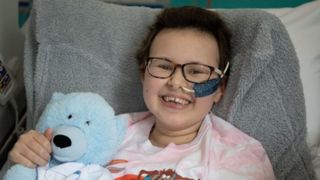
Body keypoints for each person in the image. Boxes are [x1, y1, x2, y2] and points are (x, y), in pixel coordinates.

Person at [9, 6, 275, 179]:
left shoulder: (239, 158)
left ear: (219, 89)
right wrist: (32, 156)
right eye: (163, 66)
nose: (175, 82)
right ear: (142, 73)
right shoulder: (106, 133)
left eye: (196, 72)